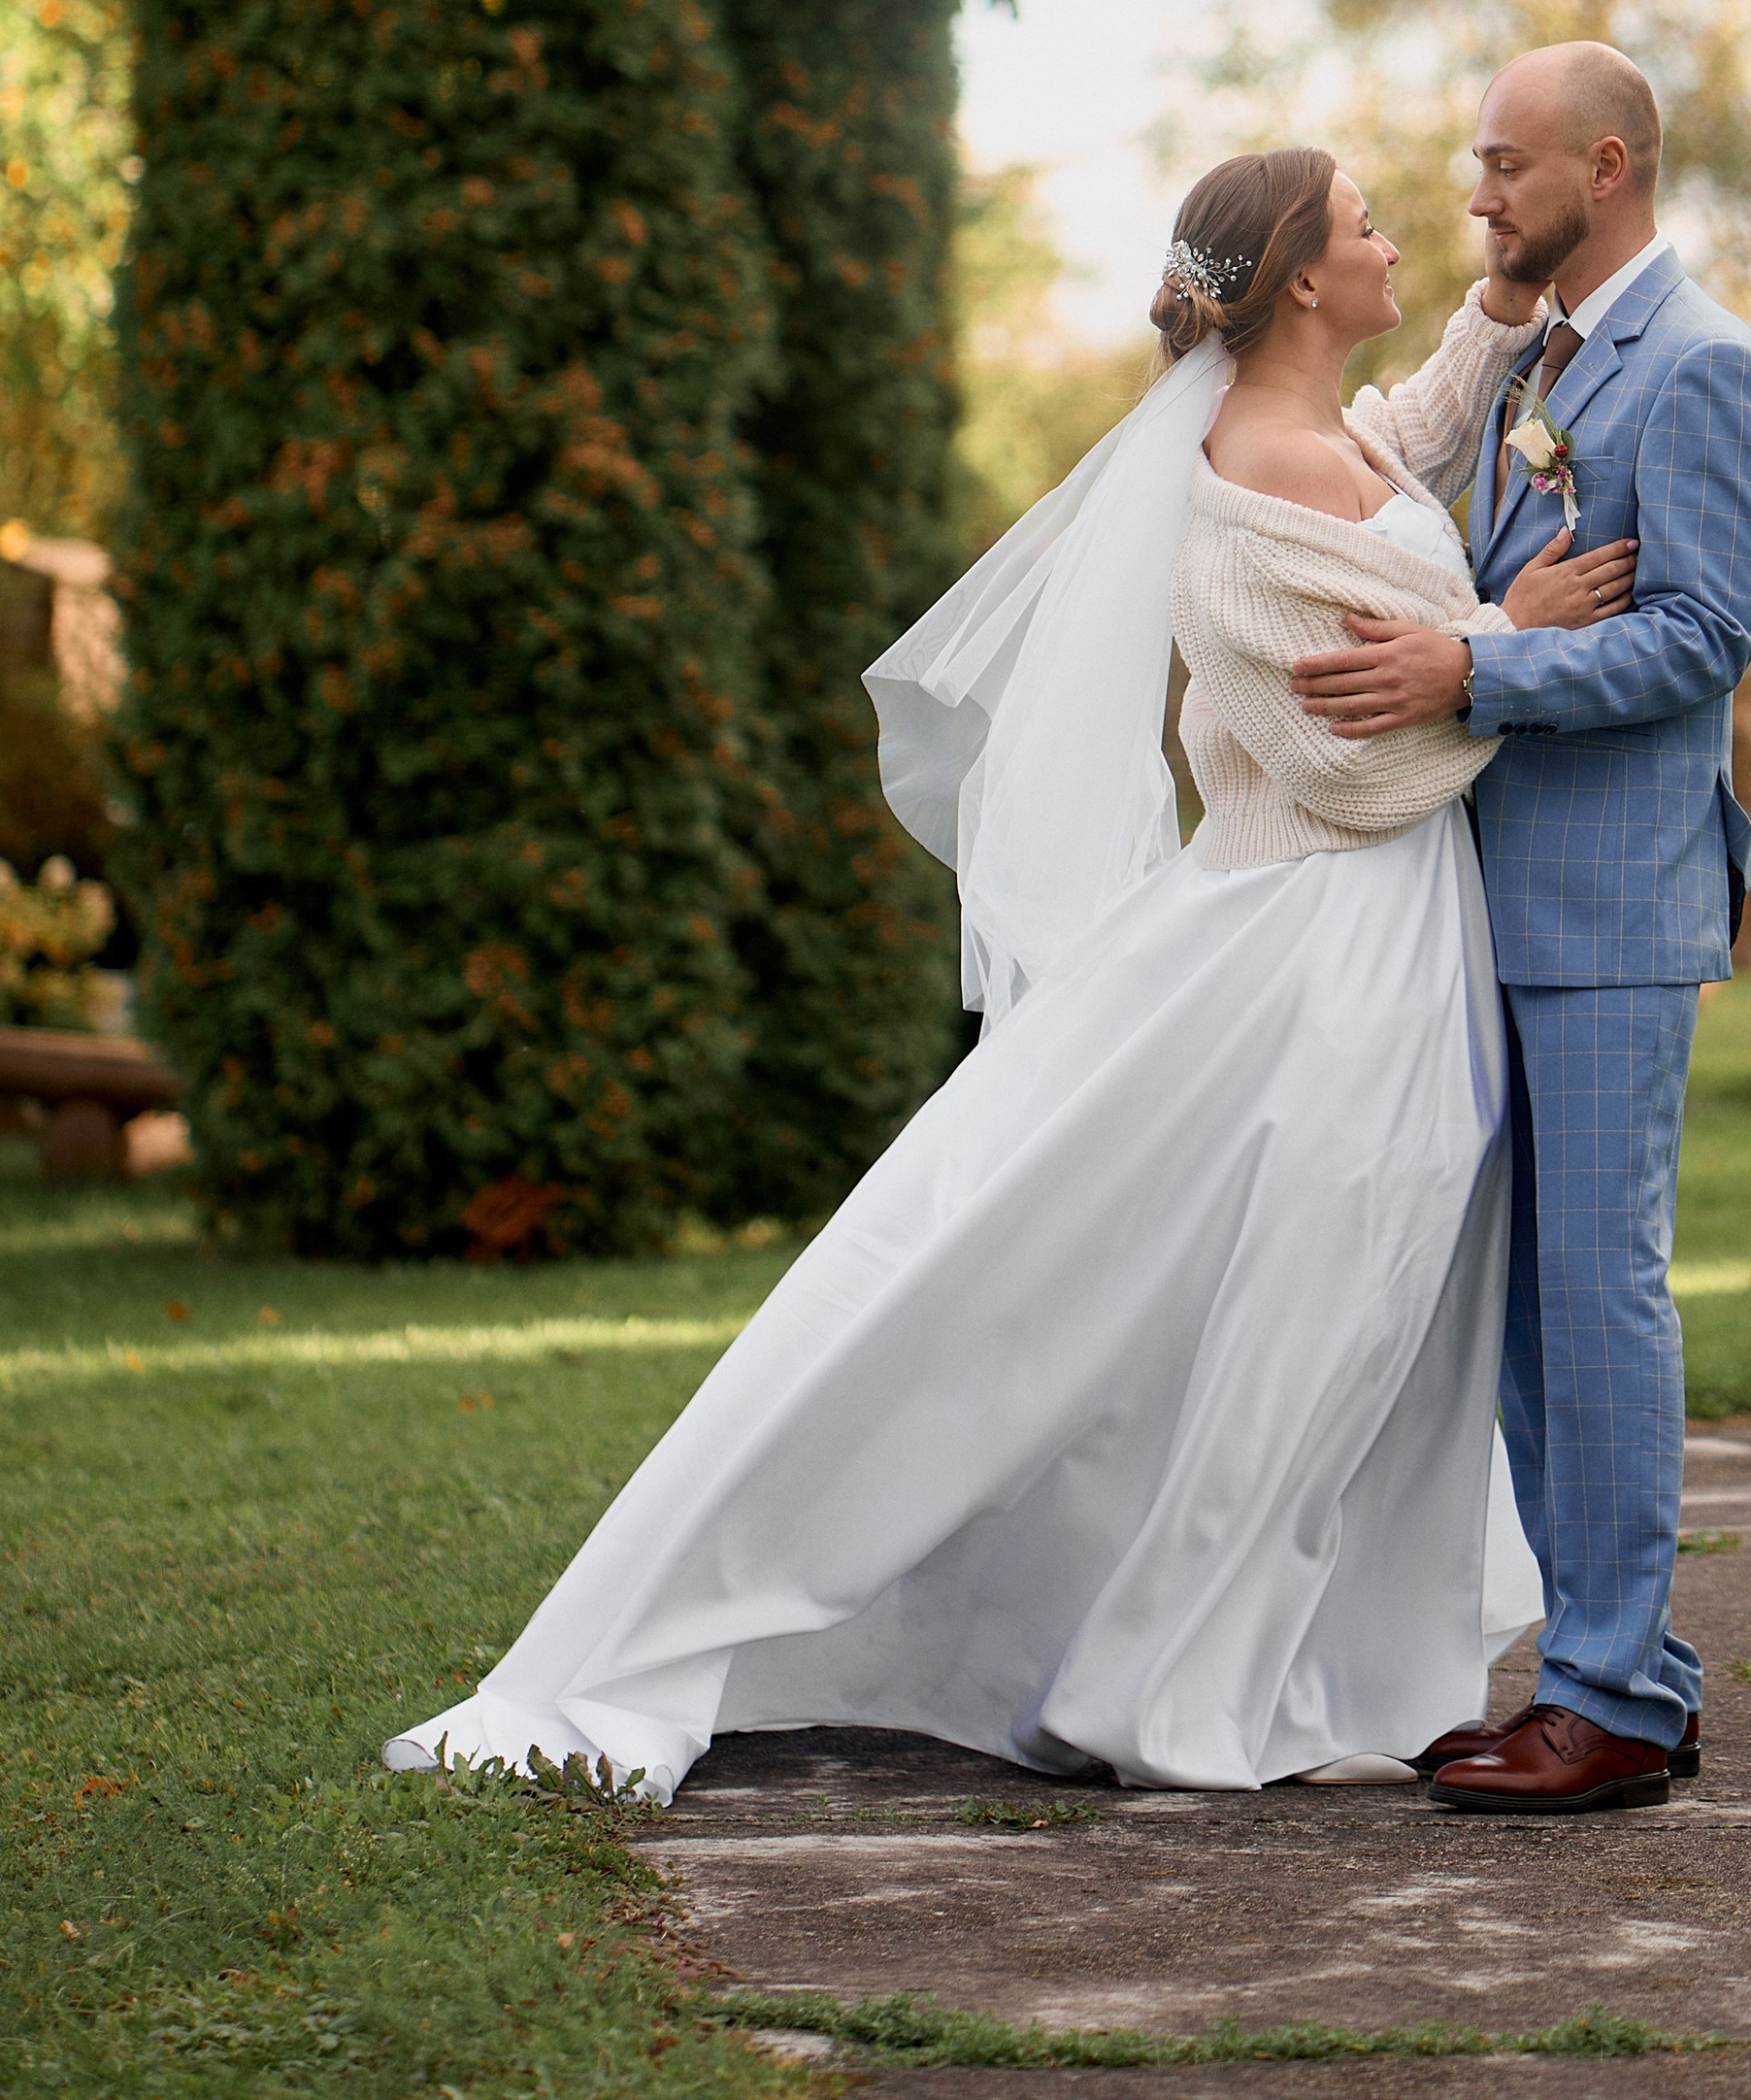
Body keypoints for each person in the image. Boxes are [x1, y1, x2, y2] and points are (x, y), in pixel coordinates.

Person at [385, 146, 1631, 1801]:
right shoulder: (1252, 476)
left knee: (1347, 1322)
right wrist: (1516, 647)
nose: (1397, 239)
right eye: (1365, 231)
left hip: (1379, 943)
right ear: (1304, 286)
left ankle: (1262, 1656)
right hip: (1319, 951)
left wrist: (1492, 312)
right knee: (1288, 1318)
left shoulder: (1320, 435)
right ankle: (1162, 1686)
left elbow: (1402, 457)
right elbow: (1336, 767)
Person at [1293, 44, 1751, 1817]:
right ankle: (1618, 1674)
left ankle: (1612, 1705)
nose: (1478, 195)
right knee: (1524, 1320)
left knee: (1597, 1301)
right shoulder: (1538, 359)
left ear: (1607, 162)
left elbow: (1702, 639)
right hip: (1488, 908)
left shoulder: (1709, 366)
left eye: (1506, 165)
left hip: (1610, 914)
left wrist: (1472, 668)